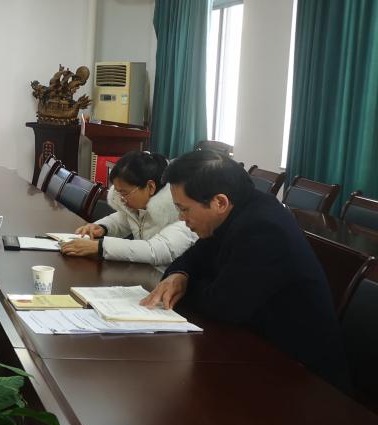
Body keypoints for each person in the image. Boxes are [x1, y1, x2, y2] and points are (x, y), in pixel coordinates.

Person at [140, 149, 349, 388]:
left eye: (184, 209)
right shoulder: (236, 210)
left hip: (304, 380)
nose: (180, 218)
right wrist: (180, 274)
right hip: (256, 349)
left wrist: (187, 285)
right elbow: (196, 256)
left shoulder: (264, 230)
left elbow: (222, 306)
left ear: (219, 202)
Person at [61, 151, 196, 267]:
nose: (121, 199)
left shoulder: (181, 213)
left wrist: (100, 247)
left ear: (150, 187)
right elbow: (123, 219)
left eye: (124, 193)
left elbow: (156, 250)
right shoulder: (139, 207)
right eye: (118, 192)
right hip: (143, 272)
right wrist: (102, 227)